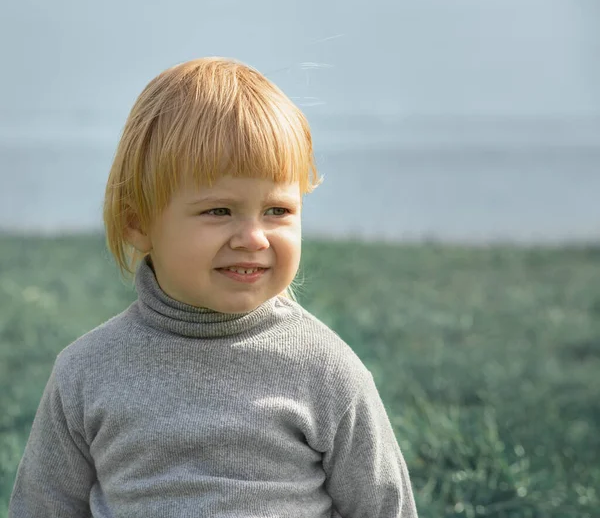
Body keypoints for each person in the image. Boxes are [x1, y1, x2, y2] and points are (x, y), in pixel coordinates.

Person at [9, 57, 419, 517]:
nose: (253, 238)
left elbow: (386, 508)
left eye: (278, 211)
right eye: (219, 211)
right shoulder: (86, 373)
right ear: (137, 222)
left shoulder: (325, 370)